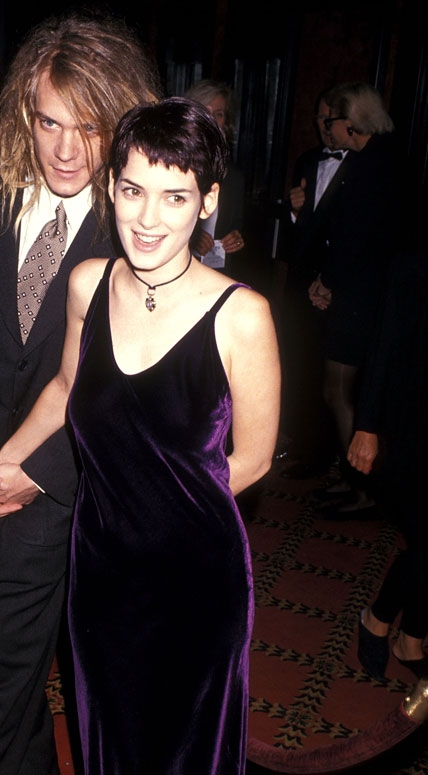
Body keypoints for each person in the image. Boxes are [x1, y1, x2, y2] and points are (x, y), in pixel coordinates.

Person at [0, 98, 281, 774]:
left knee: (183, 749)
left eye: (175, 196)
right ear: (111, 186)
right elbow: (62, 389)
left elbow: (254, 458)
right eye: (132, 190)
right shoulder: (88, 283)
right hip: (102, 567)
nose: (147, 218)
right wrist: (4, 461)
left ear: (208, 202)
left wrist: (166, 515)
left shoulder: (243, 316)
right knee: (107, 737)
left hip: (194, 574)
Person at [0, 11, 162, 775]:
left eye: (87, 127)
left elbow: (124, 385)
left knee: (5, 677)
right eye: (49, 121)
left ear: (118, 123)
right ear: (25, 109)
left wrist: (36, 471)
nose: (64, 149)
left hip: (55, 484)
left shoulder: (136, 233)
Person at [307, 81, 400, 518]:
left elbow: (353, 241)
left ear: (350, 121)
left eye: (331, 121)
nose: (327, 129)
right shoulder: (385, 159)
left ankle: (361, 487)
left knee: (338, 391)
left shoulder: (370, 166)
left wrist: (326, 282)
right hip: (367, 294)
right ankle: (354, 481)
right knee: (343, 391)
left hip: (358, 297)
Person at [348, 247, 428, 680]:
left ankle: (410, 634)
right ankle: (379, 618)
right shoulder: (416, 256)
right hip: (414, 424)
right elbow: (386, 342)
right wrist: (368, 426)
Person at [277, 89, 349, 480]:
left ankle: (341, 458)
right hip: (303, 283)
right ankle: (308, 451)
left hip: (342, 284)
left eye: (331, 118)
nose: (324, 126)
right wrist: (294, 210)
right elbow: (295, 232)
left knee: (335, 374)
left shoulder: (360, 164)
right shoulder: (307, 160)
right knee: (299, 364)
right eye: (319, 118)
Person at [184, 79, 246, 273]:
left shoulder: (234, 177)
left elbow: (236, 228)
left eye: (218, 114)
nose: (210, 119)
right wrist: (192, 238)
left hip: (216, 275)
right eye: (204, 110)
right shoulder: (172, 166)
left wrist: (236, 239)